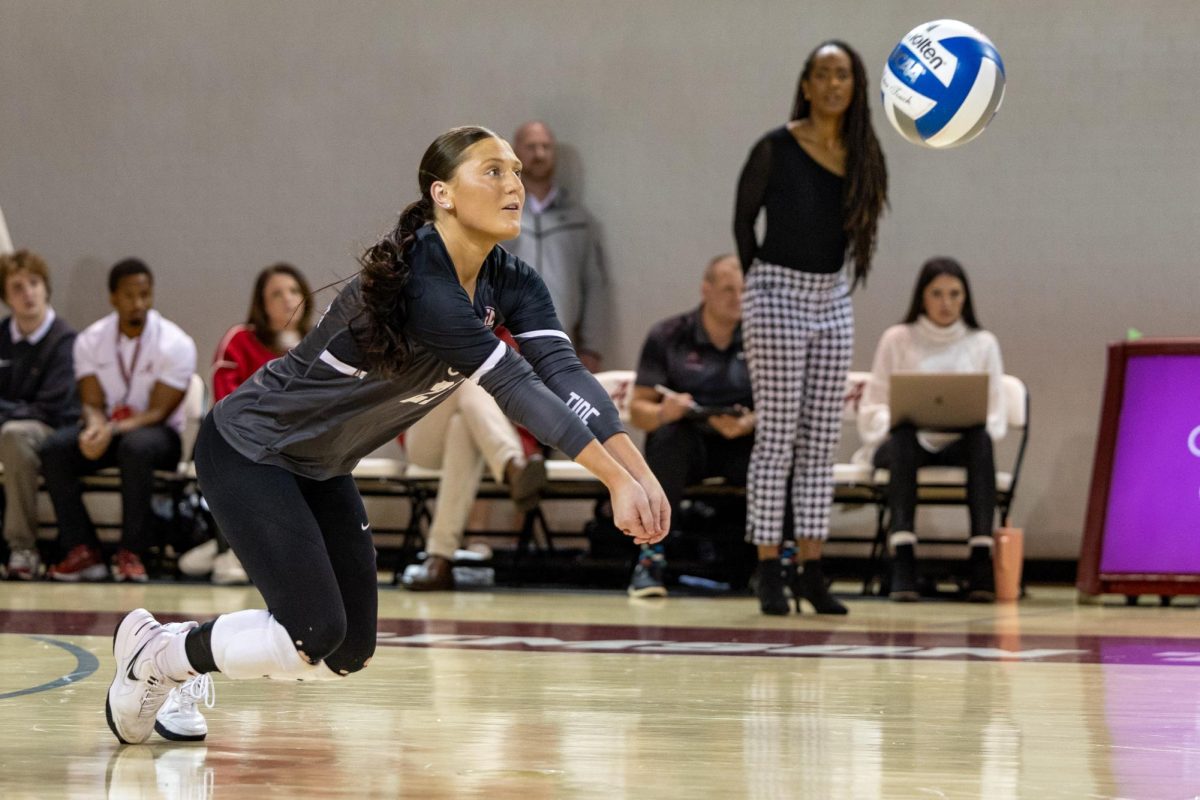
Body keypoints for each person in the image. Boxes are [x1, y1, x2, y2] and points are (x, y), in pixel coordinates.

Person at [104, 125, 668, 746]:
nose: (514, 184)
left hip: (321, 467)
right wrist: (614, 479)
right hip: (249, 450)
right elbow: (517, 389)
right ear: (443, 194)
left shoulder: (511, 281)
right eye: (493, 171)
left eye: (515, 170)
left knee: (348, 651)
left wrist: (637, 472)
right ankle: (159, 656)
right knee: (311, 634)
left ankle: (170, 654)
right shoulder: (427, 283)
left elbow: (564, 375)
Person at [733, 40, 888, 615]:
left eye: (842, 75)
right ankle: (769, 567)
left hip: (833, 296)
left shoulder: (863, 152)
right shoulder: (776, 147)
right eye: (822, 74)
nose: (831, 84)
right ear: (806, 83)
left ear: (855, 85)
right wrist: (760, 284)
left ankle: (812, 569)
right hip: (776, 291)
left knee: (822, 440)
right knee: (777, 436)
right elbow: (743, 220)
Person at [856, 257, 1006, 603]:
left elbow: (995, 413)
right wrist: (893, 419)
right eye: (937, 293)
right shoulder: (898, 338)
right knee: (905, 436)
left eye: (954, 294)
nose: (946, 303)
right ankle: (903, 556)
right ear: (921, 297)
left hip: (960, 444)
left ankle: (981, 556)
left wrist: (970, 419)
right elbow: (873, 404)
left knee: (980, 439)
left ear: (965, 298)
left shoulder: (982, 343)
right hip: (904, 445)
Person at [42, 259, 196, 582]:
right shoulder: (90, 340)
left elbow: (158, 412)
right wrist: (95, 427)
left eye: (145, 294)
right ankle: (83, 549)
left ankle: (132, 551)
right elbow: (92, 402)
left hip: (158, 437)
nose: (138, 303)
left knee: (135, 447)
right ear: (113, 298)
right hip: (112, 432)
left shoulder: (176, 343)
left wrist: (108, 429)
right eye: (130, 296)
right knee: (55, 449)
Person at [179, 263, 315, 585]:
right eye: (276, 294)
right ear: (261, 304)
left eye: (294, 291)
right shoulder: (239, 339)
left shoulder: (319, 344)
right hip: (244, 439)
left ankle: (235, 547)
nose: (287, 299)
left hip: (302, 443)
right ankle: (231, 549)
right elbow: (227, 403)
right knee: (236, 455)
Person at [627, 254, 754, 598]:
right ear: (706, 290)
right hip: (688, 443)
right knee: (667, 439)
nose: (738, 298)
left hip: (741, 440)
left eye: (745, 290)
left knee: (780, 447)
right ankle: (651, 560)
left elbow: (784, 402)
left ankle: (780, 561)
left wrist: (749, 422)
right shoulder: (669, 335)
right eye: (728, 289)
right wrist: (666, 412)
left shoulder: (762, 337)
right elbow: (637, 409)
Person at [400, 378, 546, 591]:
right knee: (467, 380)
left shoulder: (514, 345)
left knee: (462, 425)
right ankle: (512, 465)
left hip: (483, 430)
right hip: (424, 427)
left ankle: (440, 559)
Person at [504, 121, 610, 371]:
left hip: (561, 347)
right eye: (530, 147)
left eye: (546, 147)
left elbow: (594, 285)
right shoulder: (498, 214)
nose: (539, 154)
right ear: (514, 152)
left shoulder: (578, 219)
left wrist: (591, 347)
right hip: (505, 345)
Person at [0, 251, 78, 580]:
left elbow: (52, 406)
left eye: (34, 284)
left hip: (52, 430)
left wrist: (7, 413)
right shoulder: (2, 336)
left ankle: (23, 548)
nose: (27, 293)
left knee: (14, 436)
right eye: (17, 287)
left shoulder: (64, 340)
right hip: (9, 425)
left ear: (46, 288)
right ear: (6, 297)